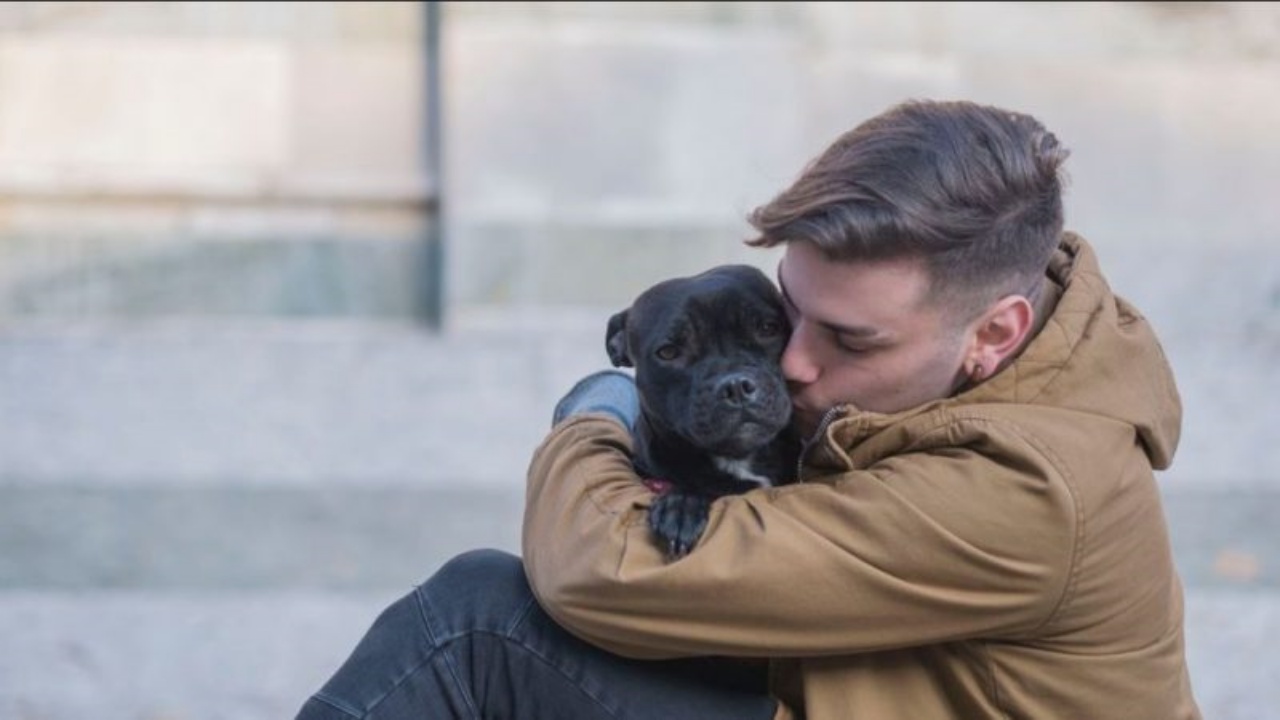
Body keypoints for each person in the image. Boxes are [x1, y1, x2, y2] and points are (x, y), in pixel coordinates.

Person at [296, 99, 1201, 719]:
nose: (798, 366)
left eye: (850, 340)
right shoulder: (981, 353)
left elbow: (600, 573)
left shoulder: (1032, 491)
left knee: (478, 618)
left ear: (993, 333)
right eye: (787, 316)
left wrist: (598, 404)